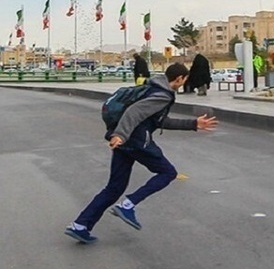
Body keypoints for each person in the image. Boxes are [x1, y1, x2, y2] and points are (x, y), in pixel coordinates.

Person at [65, 62, 218, 244]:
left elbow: (160, 121)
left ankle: (80, 225)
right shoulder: (162, 94)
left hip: (126, 141)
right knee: (168, 172)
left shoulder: (153, 88)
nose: (185, 83)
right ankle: (128, 205)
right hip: (134, 140)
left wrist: (193, 124)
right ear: (179, 78)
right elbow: (134, 112)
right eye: (185, 79)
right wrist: (120, 135)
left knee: (114, 188)